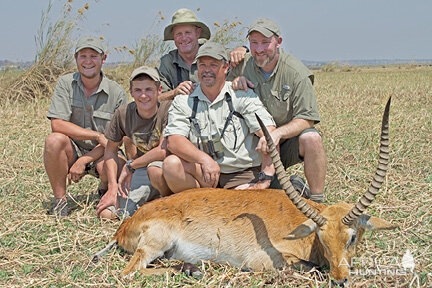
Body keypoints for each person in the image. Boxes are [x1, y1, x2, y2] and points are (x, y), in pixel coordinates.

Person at [228, 18, 327, 203]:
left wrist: (278, 134)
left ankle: (317, 201)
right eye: (254, 43)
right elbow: (215, 85)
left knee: (312, 138)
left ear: (278, 42)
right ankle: (292, 187)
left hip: (283, 142)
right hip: (252, 146)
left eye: (266, 43)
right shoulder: (242, 64)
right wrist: (233, 83)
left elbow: (307, 118)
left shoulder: (296, 72)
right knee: (262, 198)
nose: (259, 49)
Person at [162, 42, 276, 192]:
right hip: (204, 172)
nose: (207, 70)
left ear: (226, 67)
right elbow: (174, 141)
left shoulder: (241, 94)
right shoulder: (184, 99)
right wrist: (204, 160)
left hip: (240, 174)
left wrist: (265, 176)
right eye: (202, 65)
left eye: (213, 65)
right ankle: (198, 206)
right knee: (171, 164)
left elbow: (269, 133)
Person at [44, 36, 128, 216]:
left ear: (103, 59)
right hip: (73, 149)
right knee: (54, 140)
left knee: (115, 163)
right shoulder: (65, 84)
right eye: (83, 56)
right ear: (76, 58)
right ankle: (60, 201)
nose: (88, 61)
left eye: (93, 56)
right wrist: (95, 135)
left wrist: (85, 160)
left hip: (103, 151)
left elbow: (115, 141)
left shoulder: (117, 93)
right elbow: (57, 124)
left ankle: (104, 189)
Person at [96, 66, 171, 219]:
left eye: (149, 89)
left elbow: (162, 151)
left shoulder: (169, 110)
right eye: (138, 90)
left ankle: (167, 204)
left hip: (167, 168)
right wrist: (112, 187)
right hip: (141, 169)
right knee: (107, 214)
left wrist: (130, 166)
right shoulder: (123, 113)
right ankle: (150, 202)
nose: (143, 96)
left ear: (159, 90)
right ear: (131, 92)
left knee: (155, 170)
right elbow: (110, 150)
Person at [158, 8, 247, 101]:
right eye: (178, 34)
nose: (184, 38)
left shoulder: (214, 53)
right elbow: (155, 98)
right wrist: (175, 92)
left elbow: (245, 57)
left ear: (198, 33)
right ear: (173, 36)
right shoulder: (166, 62)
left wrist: (243, 49)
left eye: (188, 33)